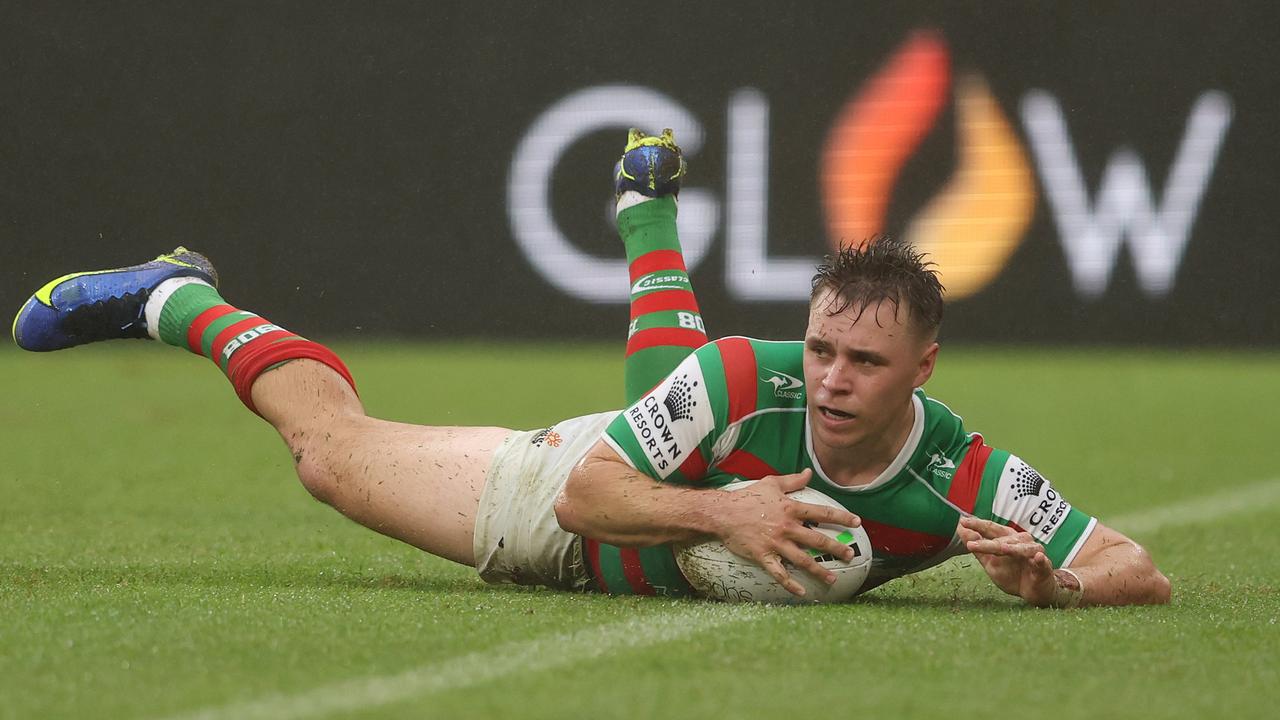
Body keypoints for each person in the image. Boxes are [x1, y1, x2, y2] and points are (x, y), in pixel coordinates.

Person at [12, 130, 1169, 607]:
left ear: (921, 365)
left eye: (863, 362)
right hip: (572, 511)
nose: (828, 379)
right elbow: (584, 495)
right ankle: (180, 298)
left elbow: (1135, 569)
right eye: (818, 348)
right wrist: (727, 513)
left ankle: (640, 216)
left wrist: (1050, 582)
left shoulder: (958, 469)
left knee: (669, 393)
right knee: (331, 457)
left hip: (659, 470)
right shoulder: (745, 374)